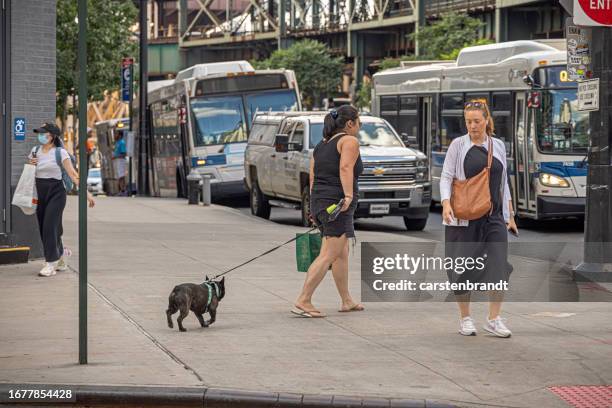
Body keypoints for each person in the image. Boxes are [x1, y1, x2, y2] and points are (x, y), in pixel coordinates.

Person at [440, 100, 519, 338]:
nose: (472, 126)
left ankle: (494, 319)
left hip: (493, 217)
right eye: (468, 122)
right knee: (462, 270)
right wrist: (445, 204)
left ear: (486, 120)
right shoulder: (458, 145)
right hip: (464, 217)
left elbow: (503, 181)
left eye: (476, 121)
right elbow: (446, 177)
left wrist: (510, 214)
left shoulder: (498, 146)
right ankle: (465, 318)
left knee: (499, 266)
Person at [292, 105, 365, 318]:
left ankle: (346, 300)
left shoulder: (321, 145)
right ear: (350, 123)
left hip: (321, 202)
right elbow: (345, 169)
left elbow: (313, 177)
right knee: (328, 254)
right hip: (338, 203)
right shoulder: (349, 141)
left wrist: (315, 209)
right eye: (358, 121)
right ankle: (303, 299)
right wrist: (349, 196)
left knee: (340, 253)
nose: (359, 126)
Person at [28, 122, 95, 277]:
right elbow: (29, 170)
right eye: (39, 133)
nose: (40, 136)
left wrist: (87, 194)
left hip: (56, 192)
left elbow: (73, 174)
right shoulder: (35, 151)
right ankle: (60, 259)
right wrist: (30, 163)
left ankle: (50, 263)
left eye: (43, 133)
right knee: (52, 228)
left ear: (51, 136)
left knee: (49, 227)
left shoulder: (60, 153)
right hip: (40, 192)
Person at [112, 131, 127, 195]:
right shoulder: (117, 142)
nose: (115, 135)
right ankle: (120, 190)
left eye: (116, 134)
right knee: (119, 175)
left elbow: (124, 154)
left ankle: (123, 190)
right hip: (117, 161)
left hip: (121, 160)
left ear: (120, 135)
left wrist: (115, 157)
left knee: (121, 175)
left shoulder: (122, 143)